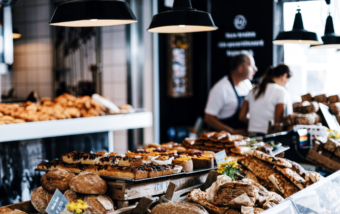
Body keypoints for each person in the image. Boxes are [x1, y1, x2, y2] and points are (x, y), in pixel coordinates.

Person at [205, 54, 258, 135]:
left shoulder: (247, 84)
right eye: (251, 66)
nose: (255, 69)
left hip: (245, 138)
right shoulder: (221, 88)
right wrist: (230, 132)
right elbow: (208, 118)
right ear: (240, 68)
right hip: (225, 140)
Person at [239, 64, 292, 135]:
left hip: (251, 135)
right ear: (284, 76)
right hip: (268, 136)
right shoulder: (281, 91)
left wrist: (256, 122)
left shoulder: (253, 90)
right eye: (288, 81)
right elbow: (278, 123)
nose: (286, 84)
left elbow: (241, 116)